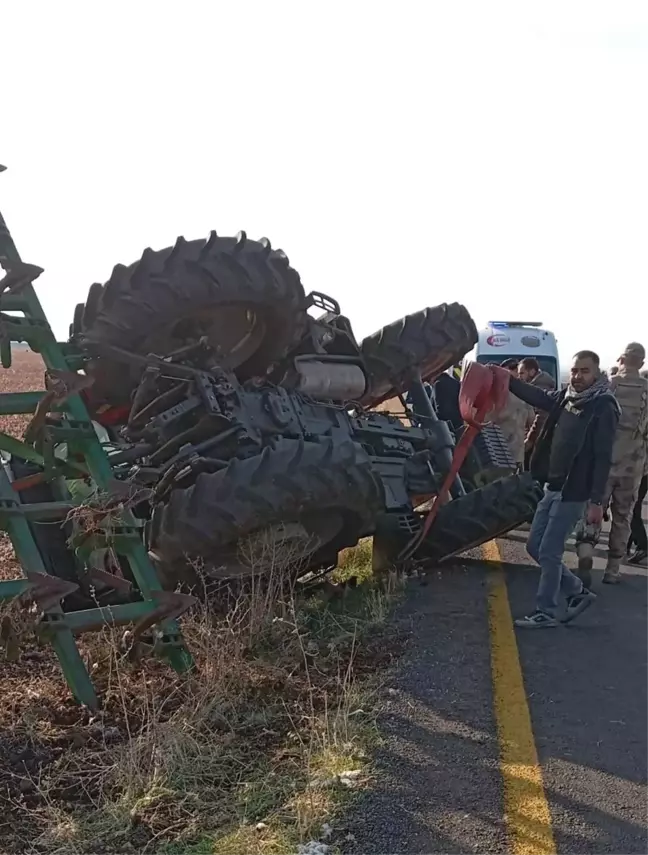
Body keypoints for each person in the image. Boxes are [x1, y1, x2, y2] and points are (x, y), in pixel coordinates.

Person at [505, 350, 620, 628]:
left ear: (597, 373)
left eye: (585, 371)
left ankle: (546, 610)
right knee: (535, 546)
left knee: (549, 552)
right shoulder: (566, 398)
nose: (578, 376)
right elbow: (538, 397)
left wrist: (596, 501)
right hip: (552, 486)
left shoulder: (603, 406)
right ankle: (577, 591)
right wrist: (505, 379)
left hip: (575, 491)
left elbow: (604, 457)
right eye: (575, 370)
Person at [575, 343, 648, 584]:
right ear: (642, 362)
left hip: (604, 461)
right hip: (633, 465)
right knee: (623, 516)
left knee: (594, 506)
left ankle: (585, 550)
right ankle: (613, 569)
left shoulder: (610, 385)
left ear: (622, 359)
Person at [491, 358, 534, 468]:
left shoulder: (496, 391)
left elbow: (486, 420)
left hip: (499, 452)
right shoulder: (525, 393)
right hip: (517, 452)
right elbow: (532, 420)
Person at [518, 357, 556, 468]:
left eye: (522, 373)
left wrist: (530, 440)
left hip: (539, 439)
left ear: (532, 372)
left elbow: (542, 416)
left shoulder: (540, 388)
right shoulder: (540, 385)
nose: (519, 377)